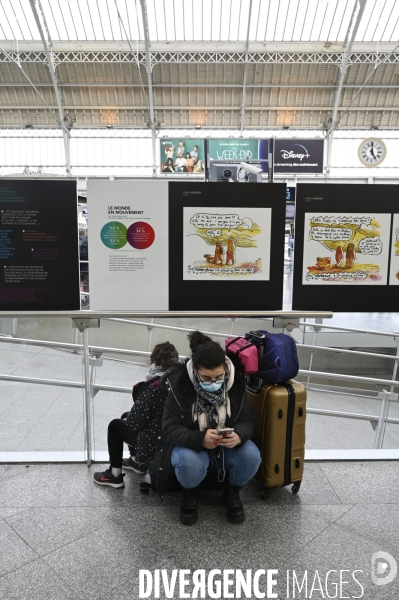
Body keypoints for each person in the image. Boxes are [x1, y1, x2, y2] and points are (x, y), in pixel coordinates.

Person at [156, 331, 261, 525]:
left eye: (219, 376)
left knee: (252, 456)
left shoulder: (236, 381)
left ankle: (232, 492)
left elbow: (247, 420)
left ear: (226, 370)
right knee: (188, 460)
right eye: (206, 378)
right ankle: (190, 493)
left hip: (226, 448)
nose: (214, 383)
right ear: (195, 370)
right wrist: (200, 439)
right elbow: (169, 428)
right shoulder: (179, 385)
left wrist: (238, 435)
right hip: (193, 448)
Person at [93, 342, 179, 488]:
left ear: (154, 363)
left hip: (154, 444)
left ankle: (115, 476)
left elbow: (134, 422)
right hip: (171, 440)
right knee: (125, 415)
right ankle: (136, 462)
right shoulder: (179, 383)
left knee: (115, 425)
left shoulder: (154, 388)